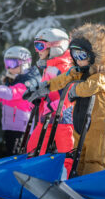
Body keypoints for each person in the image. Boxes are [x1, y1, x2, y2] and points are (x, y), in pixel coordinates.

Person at [25, 23, 105, 176]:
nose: (78, 60)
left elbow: (90, 86)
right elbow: (61, 79)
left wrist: (74, 90)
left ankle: (93, 189)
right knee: (77, 160)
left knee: (93, 161)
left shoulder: (104, 76)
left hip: (97, 128)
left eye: (82, 56)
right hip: (79, 125)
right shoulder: (78, 72)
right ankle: (74, 187)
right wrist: (42, 88)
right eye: (75, 56)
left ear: (94, 55)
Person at [23, 27, 74, 177]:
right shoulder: (49, 66)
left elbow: (68, 91)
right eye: (36, 45)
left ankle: (74, 179)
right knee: (34, 147)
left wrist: (52, 104)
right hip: (46, 117)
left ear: (55, 46)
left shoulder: (64, 67)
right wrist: (38, 97)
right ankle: (37, 178)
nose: (37, 50)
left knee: (67, 151)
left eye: (40, 46)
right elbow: (47, 90)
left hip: (63, 117)